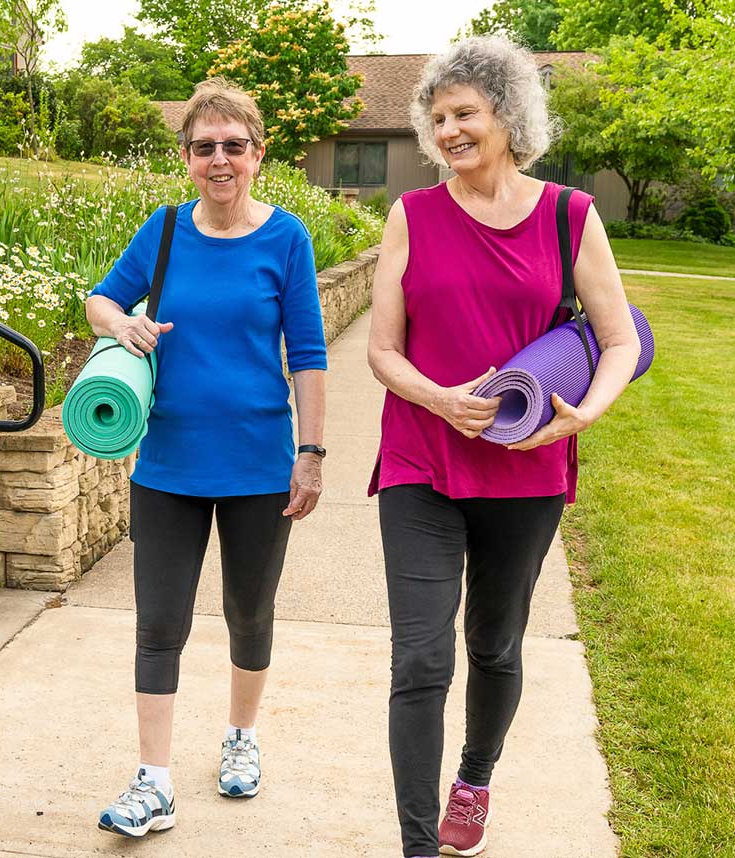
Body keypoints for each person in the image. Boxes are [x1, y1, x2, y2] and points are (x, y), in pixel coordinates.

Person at [366, 37, 643, 858]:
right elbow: (382, 351)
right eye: (437, 117)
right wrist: (441, 400)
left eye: (465, 114)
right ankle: (418, 844)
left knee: (494, 644)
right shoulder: (412, 215)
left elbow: (621, 340)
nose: (448, 131)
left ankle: (475, 780)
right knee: (420, 658)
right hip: (422, 457)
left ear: (508, 117)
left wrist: (583, 413)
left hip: (526, 471)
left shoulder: (569, 215)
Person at [82, 77, 328, 839]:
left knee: (249, 612)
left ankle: (241, 739)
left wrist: (311, 452)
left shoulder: (286, 238)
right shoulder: (161, 230)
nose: (219, 159)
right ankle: (153, 782)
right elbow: (98, 298)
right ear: (185, 156)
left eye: (233, 146)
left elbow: (310, 355)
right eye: (203, 147)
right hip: (169, 464)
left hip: (259, 462)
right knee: (159, 624)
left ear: (259, 153)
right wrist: (120, 322)